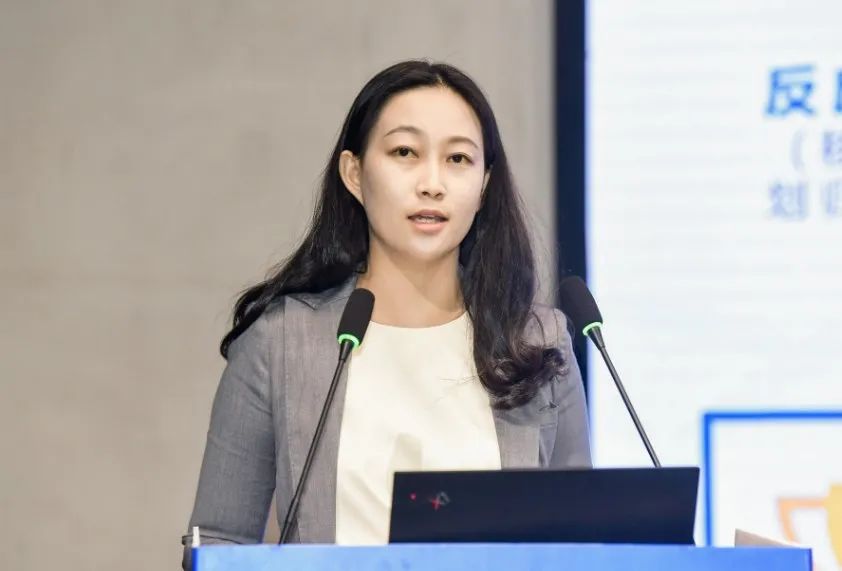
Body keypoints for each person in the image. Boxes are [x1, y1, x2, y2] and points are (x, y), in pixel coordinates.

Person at [181, 59, 590, 568]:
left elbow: (582, 542)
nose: (432, 183)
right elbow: (220, 541)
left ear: (484, 184)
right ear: (354, 173)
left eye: (458, 159)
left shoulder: (536, 342)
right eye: (405, 152)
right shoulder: (282, 341)